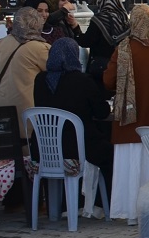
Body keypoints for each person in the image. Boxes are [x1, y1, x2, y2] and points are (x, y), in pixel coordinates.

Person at [103, 4, 149, 222]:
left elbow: (108, 81)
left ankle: (130, 212)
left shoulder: (123, 49)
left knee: (131, 168)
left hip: (129, 123)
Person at [32, 37, 114, 195]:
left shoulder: (40, 80)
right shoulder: (82, 81)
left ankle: (62, 203)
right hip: (77, 149)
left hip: (44, 151)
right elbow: (102, 112)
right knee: (111, 154)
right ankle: (100, 202)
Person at [0, 7, 50, 140]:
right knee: (26, 145)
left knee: (6, 145)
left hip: (1, 107)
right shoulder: (40, 48)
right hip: (27, 108)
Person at [81, 0, 128, 84]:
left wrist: (75, 29)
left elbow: (86, 41)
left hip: (99, 69)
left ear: (100, 2)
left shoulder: (98, 20)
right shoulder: (124, 20)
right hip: (120, 67)